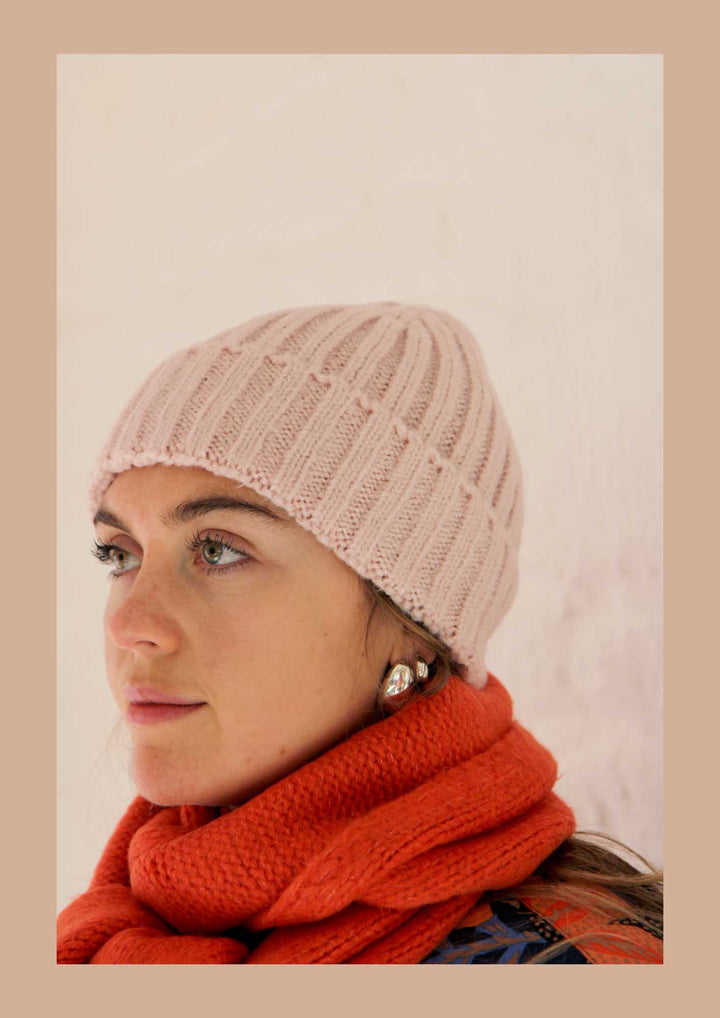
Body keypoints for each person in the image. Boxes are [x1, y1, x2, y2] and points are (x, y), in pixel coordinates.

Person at [57, 301, 662, 964]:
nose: (128, 624)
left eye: (219, 550)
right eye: (120, 554)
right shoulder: (134, 921)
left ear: (412, 625)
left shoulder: (573, 963)